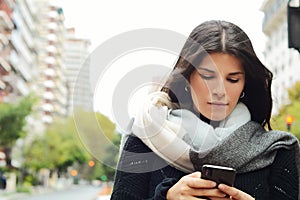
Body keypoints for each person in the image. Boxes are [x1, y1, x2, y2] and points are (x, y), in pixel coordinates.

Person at [110, 20, 300, 200]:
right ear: (187, 78)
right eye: (208, 77)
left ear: (245, 85)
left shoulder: (276, 151)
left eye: (233, 79)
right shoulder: (146, 135)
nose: (219, 91)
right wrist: (167, 197)